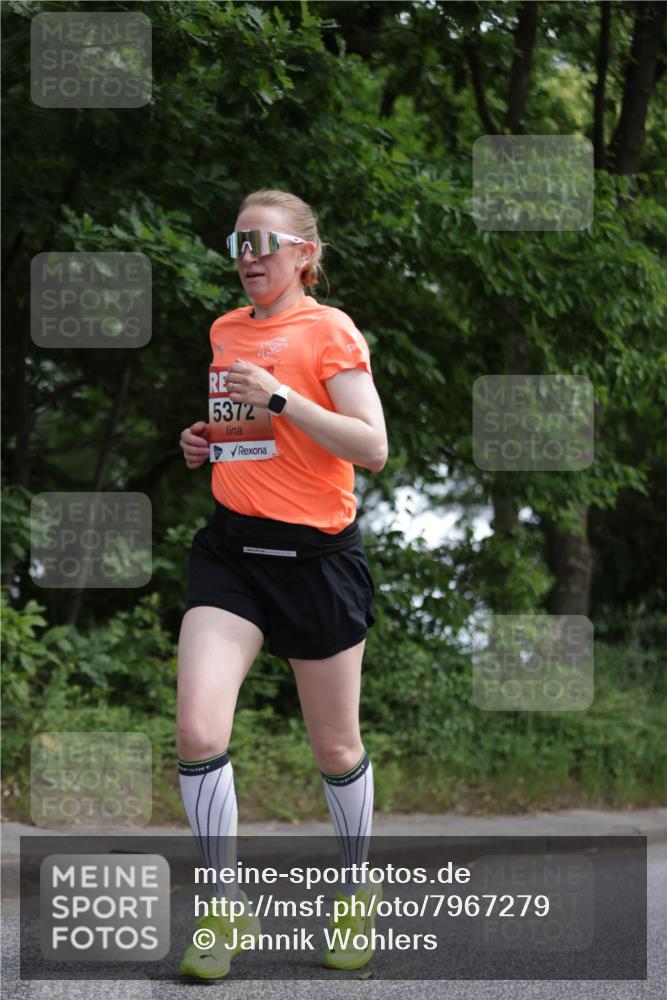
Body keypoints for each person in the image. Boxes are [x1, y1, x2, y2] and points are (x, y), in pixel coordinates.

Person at [176, 189, 388, 979]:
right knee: (199, 732)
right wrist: (205, 442)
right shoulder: (226, 330)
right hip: (231, 555)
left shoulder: (331, 331)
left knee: (334, 746)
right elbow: (251, 441)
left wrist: (284, 398)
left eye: (264, 242)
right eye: (237, 242)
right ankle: (222, 911)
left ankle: (356, 891)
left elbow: (371, 447)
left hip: (317, 563)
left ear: (304, 252)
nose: (248, 257)